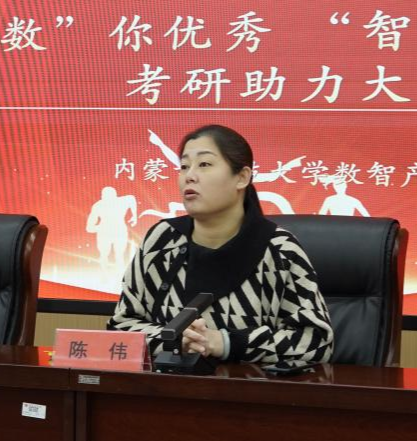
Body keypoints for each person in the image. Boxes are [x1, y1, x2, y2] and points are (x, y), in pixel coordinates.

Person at [108, 124, 333, 365]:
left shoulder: (279, 249)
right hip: (167, 384)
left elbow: (316, 342)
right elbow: (121, 326)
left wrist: (224, 343)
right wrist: (173, 340)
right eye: (184, 166)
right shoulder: (163, 240)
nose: (189, 176)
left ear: (242, 177)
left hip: (247, 385)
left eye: (204, 164)